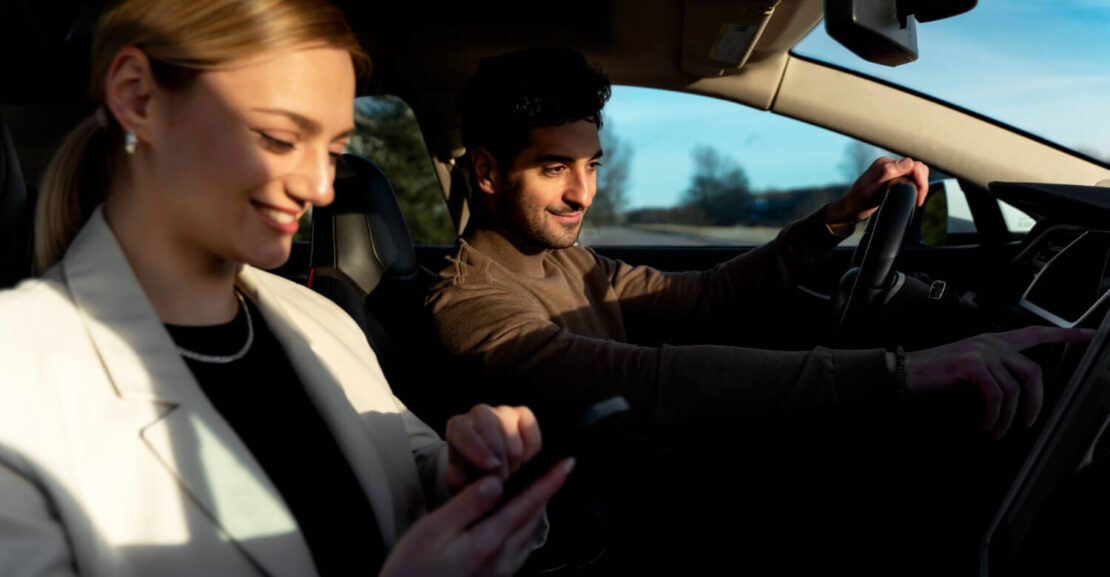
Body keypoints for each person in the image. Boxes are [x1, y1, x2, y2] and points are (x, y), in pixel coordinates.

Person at [425, 47, 1094, 570]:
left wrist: (835, 218)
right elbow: (652, 379)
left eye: (592, 165)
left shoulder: (567, 261)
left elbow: (709, 295)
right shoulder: (471, 303)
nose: (583, 193)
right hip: (620, 532)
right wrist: (900, 372)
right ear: (487, 173)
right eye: (554, 169)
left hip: (669, 482)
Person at [0, 2, 572, 576]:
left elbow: (401, 459)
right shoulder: (17, 369)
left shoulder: (319, 318)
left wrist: (460, 472)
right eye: (278, 137)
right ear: (137, 97)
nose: (320, 188)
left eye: (332, 150)